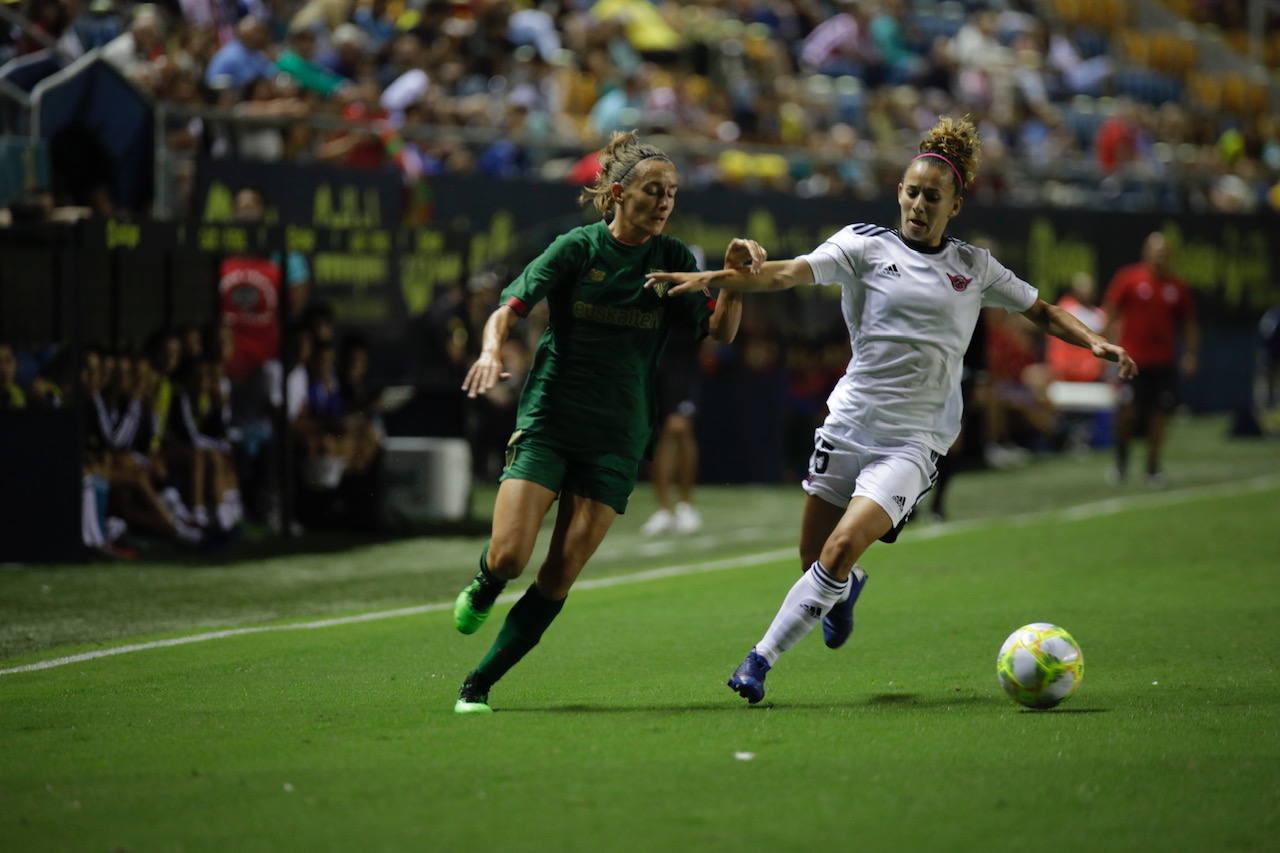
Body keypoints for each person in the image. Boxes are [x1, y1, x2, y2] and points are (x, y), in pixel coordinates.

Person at [646, 116, 1137, 705]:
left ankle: (758, 661)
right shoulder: (862, 246)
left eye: (934, 196)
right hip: (849, 424)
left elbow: (1043, 310)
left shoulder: (973, 266)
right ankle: (846, 589)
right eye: (911, 191)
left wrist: (1095, 343)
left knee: (837, 549)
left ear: (956, 205)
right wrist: (707, 277)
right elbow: (783, 273)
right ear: (898, 193)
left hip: (914, 442)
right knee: (813, 561)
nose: (919, 204)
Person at [450, 130, 756, 714]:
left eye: (671, 193)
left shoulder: (673, 259)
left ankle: (477, 685)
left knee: (559, 573)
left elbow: (718, 331)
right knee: (512, 556)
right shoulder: (577, 249)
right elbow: (508, 307)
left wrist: (734, 282)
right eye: (653, 191)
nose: (665, 202)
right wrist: (491, 350)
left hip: (617, 436)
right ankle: (487, 582)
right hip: (551, 420)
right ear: (618, 194)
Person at [1103, 233, 1198, 486]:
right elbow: (1110, 313)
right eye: (1156, 252)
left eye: (1164, 253)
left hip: (1163, 363)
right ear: (1146, 253)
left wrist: (1189, 353)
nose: (1160, 257)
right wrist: (1105, 348)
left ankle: (1152, 467)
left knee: (1159, 415)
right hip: (1132, 362)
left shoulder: (1177, 286)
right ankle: (1121, 464)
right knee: (1128, 414)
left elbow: (1188, 323)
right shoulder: (1129, 279)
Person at [640, 308, 704, 535]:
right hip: (650, 355)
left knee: (680, 428)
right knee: (657, 432)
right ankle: (664, 509)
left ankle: (686, 505)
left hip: (681, 356)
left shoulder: (689, 272)